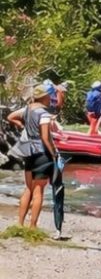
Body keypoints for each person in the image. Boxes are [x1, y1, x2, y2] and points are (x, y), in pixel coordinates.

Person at [8, 85, 57, 229]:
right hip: (41, 153)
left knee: (28, 189)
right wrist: (53, 154)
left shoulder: (27, 109)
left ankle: (20, 224)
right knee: (38, 192)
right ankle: (33, 226)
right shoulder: (44, 113)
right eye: (49, 96)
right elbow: (45, 137)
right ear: (44, 97)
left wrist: (22, 126)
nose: (50, 98)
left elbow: (11, 117)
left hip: (28, 152)